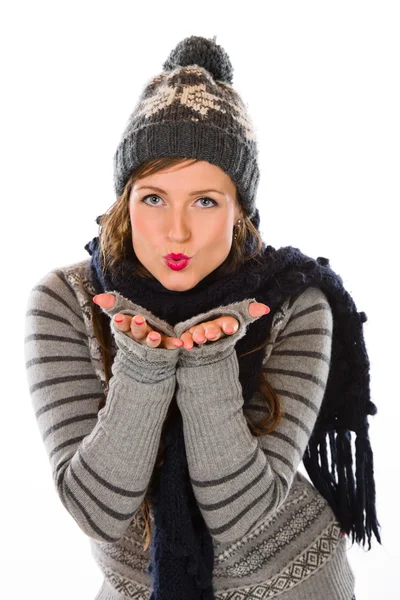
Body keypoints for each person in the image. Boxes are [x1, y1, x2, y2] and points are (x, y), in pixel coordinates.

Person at [24, 35, 380, 600]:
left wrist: (209, 364)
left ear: (241, 210)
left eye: (206, 200)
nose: (178, 232)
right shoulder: (66, 301)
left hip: (292, 583)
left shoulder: (292, 304)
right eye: (154, 197)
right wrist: (143, 368)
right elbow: (97, 512)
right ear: (124, 199)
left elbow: (240, 516)